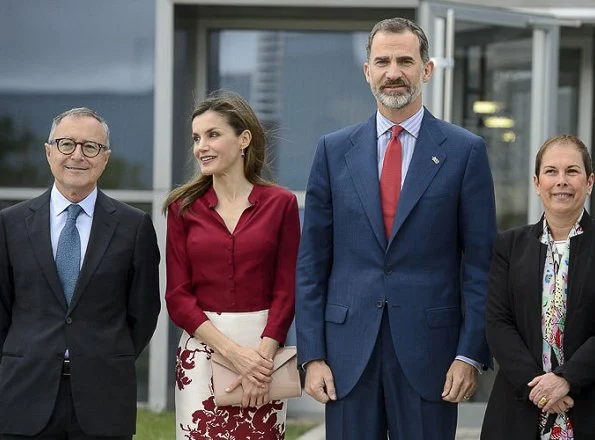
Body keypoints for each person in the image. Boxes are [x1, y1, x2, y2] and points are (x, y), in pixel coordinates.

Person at [295, 17, 497, 440]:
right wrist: (311, 354)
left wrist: (469, 354)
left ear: (427, 69)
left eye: (405, 60)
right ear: (367, 70)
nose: (393, 72)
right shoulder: (333, 151)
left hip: (433, 358)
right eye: (382, 61)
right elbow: (312, 262)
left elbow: (481, 267)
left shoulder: (465, 152)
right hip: (347, 356)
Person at [0, 107, 161, 439]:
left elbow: (143, 313)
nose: (77, 155)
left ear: (105, 158)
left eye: (91, 146)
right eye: (66, 144)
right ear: (48, 153)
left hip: (104, 397)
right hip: (22, 395)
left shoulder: (134, 227)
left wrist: (105, 354)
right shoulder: (10, 224)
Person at [164, 91, 300, 440]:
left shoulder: (280, 204)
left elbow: (287, 289)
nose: (201, 147)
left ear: (243, 139)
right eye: (196, 138)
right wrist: (234, 355)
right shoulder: (183, 208)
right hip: (203, 354)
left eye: (212, 135)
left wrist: (261, 361)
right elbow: (178, 297)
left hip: (264, 354)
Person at [482, 135, 595, 439]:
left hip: (586, 405)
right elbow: (497, 323)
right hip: (519, 407)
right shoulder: (509, 245)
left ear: (589, 182)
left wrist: (566, 379)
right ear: (536, 183)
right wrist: (540, 387)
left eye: (572, 171)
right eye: (551, 172)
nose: (561, 181)